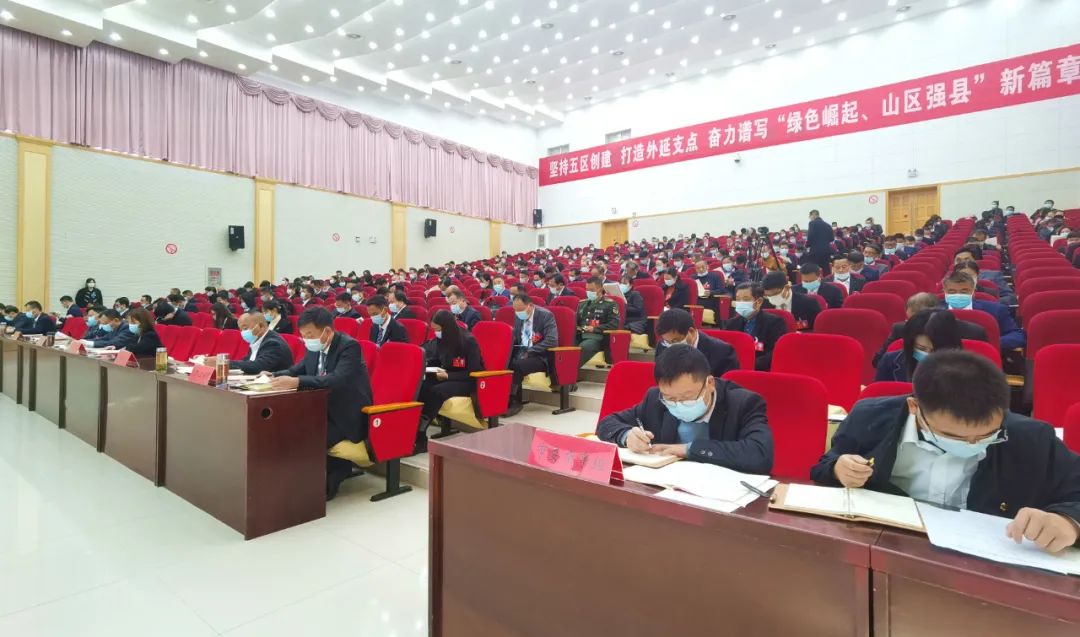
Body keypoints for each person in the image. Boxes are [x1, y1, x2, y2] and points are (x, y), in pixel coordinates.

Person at [812, 351, 1080, 553]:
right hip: (888, 547)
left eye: (988, 435)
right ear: (914, 407)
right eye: (954, 437)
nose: (972, 444)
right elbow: (825, 465)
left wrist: (1069, 522)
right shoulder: (869, 417)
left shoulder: (1031, 438)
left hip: (986, 564)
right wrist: (838, 468)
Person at [597, 345, 773, 473]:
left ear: (710, 384)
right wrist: (627, 436)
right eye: (670, 399)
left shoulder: (744, 403)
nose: (678, 405)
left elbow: (760, 454)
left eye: (687, 397)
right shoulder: (655, 398)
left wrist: (689, 449)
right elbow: (607, 424)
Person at [269, 307, 373, 500]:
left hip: (345, 415)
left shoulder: (349, 347)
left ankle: (328, 480)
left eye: (310, 335)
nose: (306, 339)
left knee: (307, 436)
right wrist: (273, 375)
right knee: (285, 428)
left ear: (326, 331)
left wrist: (297, 382)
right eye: (303, 335)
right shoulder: (314, 348)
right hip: (320, 410)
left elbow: (336, 379)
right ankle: (299, 480)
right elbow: (297, 369)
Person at [417, 310, 486, 451]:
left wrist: (449, 376)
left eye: (438, 330)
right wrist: (427, 368)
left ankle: (420, 435)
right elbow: (437, 359)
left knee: (436, 391)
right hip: (447, 374)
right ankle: (413, 429)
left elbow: (474, 372)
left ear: (447, 327)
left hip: (468, 380)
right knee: (422, 385)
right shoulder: (442, 339)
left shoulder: (468, 341)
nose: (436, 333)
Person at [872, 292, 988, 367]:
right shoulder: (901, 329)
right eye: (909, 320)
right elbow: (878, 362)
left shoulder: (969, 332)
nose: (914, 326)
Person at [504, 294, 559, 417]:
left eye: (520, 310)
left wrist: (530, 351)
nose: (518, 313)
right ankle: (502, 398)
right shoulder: (519, 316)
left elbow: (552, 340)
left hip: (540, 355)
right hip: (521, 351)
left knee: (517, 366)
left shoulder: (546, 315)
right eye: (515, 310)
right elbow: (517, 337)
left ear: (530, 305)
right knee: (505, 362)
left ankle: (514, 401)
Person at [941, 271, 1024, 349]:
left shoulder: (995, 310)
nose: (958, 295)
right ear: (944, 292)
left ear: (973, 292)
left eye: (964, 292)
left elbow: (1017, 336)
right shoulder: (936, 311)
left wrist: (991, 343)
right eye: (952, 292)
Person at [875, 310, 963, 382]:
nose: (928, 355)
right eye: (921, 349)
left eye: (935, 350)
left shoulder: (965, 368)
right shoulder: (889, 362)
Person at [656, 309, 739, 378]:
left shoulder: (723, 352)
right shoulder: (663, 345)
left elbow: (727, 387)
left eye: (675, 341)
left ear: (691, 331)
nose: (671, 346)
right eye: (667, 341)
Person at [722, 283, 787, 371]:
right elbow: (726, 349)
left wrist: (749, 365)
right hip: (734, 368)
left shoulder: (774, 322)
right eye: (738, 299)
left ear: (759, 301)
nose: (741, 303)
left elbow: (776, 352)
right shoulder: (731, 323)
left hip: (760, 370)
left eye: (746, 299)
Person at [575, 277, 619, 367]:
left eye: (592, 290)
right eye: (587, 290)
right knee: (565, 346)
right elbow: (575, 322)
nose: (588, 292)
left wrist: (595, 329)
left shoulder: (610, 304)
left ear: (600, 289)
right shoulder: (582, 304)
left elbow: (614, 324)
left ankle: (571, 372)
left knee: (584, 347)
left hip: (597, 337)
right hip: (580, 334)